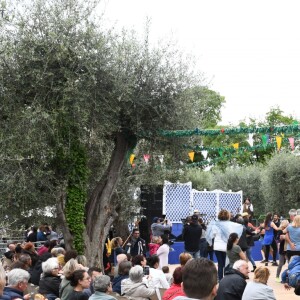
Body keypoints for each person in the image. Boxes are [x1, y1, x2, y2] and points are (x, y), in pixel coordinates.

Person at [206, 209, 243, 281]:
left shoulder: (215, 225)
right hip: (226, 246)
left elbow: (212, 235)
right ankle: (226, 279)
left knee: (220, 264)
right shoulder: (231, 225)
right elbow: (233, 233)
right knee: (227, 263)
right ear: (228, 216)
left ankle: (220, 279)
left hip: (217, 246)